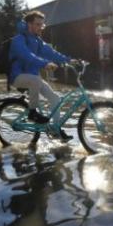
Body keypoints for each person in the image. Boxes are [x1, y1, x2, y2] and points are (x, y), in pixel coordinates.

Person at [9, 10, 73, 141]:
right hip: (17, 76)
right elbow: (27, 56)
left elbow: (51, 53)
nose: (40, 27)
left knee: (55, 98)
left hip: (33, 78)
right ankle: (32, 113)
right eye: (37, 24)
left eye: (42, 25)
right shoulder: (18, 40)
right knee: (35, 80)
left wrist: (69, 60)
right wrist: (45, 63)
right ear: (28, 24)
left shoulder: (37, 41)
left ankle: (56, 129)